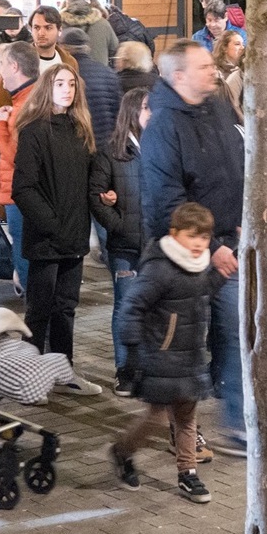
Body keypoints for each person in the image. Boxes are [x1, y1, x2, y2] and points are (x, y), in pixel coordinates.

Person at [139, 40, 249, 456]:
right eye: (204, 66)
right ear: (178, 76)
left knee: (234, 331)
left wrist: (241, 219)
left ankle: (235, 420)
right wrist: (212, 245)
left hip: (227, 244)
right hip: (187, 257)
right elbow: (167, 201)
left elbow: (235, 165)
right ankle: (180, 426)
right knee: (185, 344)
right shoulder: (164, 126)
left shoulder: (218, 107)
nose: (214, 71)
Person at [110, 201, 222, 504]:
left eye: (204, 237)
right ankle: (123, 451)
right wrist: (131, 352)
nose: (199, 244)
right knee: (157, 419)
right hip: (159, 354)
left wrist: (221, 274)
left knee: (187, 419)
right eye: (191, 236)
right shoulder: (160, 268)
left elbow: (201, 293)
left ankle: (188, 473)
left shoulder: (201, 264)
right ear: (174, 235)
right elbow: (131, 308)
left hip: (190, 354)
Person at [10, 63, 111, 395]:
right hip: (47, 238)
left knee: (66, 308)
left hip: (75, 234)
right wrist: (52, 225)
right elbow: (23, 188)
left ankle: (63, 372)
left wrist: (105, 194)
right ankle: (30, 379)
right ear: (47, 88)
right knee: (39, 310)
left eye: (71, 84)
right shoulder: (35, 130)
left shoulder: (81, 129)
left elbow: (88, 180)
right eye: (60, 84)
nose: (67, 90)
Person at [103, 87, 152, 392]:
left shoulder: (160, 146)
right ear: (133, 112)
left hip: (154, 242)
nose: (152, 113)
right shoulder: (112, 152)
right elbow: (96, 196)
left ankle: (146, 365)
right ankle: (125, 368)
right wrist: (117, 225)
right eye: (147, 107)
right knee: (125, 305)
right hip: (125, 245)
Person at [0, 42, 41, 291]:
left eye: (2, 65)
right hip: (27, 194)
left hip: (20, 195)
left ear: (14, 66)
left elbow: (17, 155)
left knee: (24, 252)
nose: (0, 72)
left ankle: (34, 319)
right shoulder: (34, 99)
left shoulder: (23, 108)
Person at [63, 27, 121, 142]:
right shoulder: (107, 72)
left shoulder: (65, 75)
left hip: (77, 142)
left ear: (64, 48)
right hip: (105, 143)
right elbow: (118, 110)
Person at [62, 0, 118, 69]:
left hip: (67, 74)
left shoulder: (58, 25)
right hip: (99, 74)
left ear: (67, 3)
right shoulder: (103, 23)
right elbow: (114, 48)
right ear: (85, 0)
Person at [210, 29, 246, 111]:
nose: (242, 48)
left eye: (243, 44)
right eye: (237, 44)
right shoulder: (215, 71)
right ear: (224, 48)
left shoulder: (243, 70)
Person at [28, 7, 66, 74]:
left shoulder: (68, 62)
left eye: (48, 28)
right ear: (31, 30)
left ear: (59, 30)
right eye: (36, 28)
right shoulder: (18, 61)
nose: (41, 33)